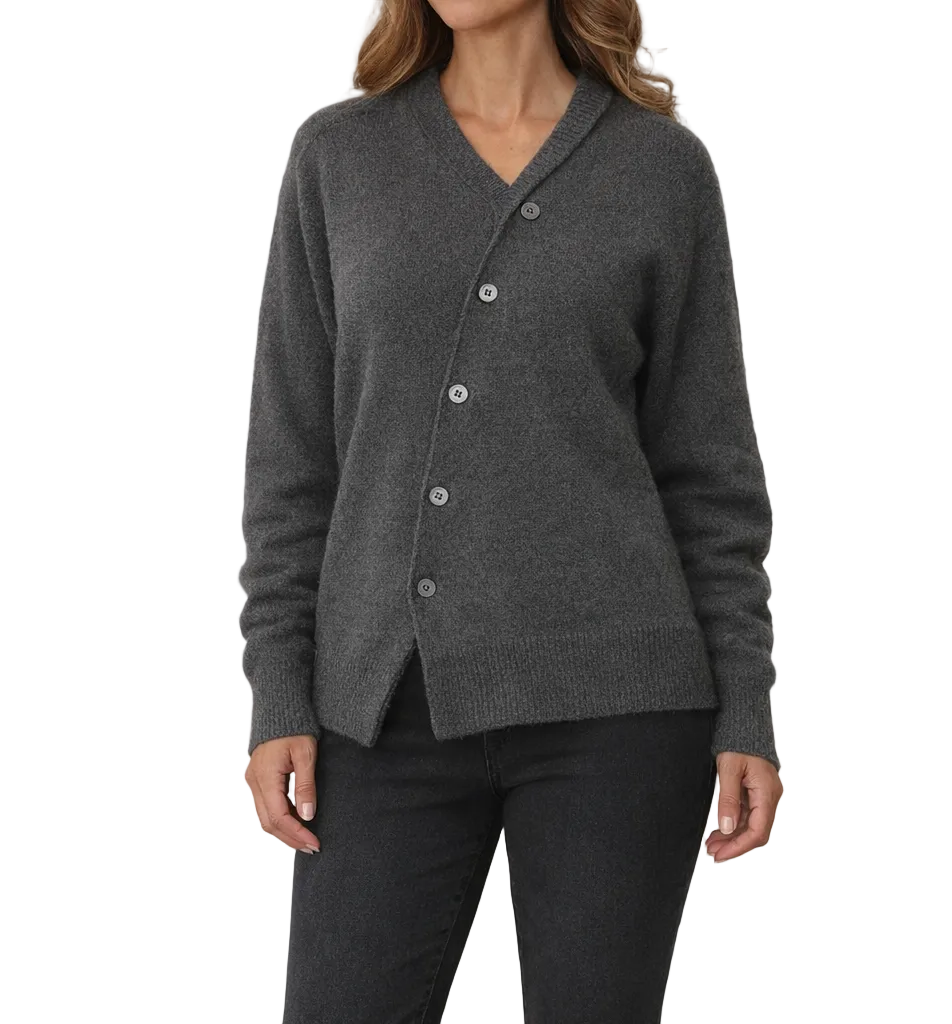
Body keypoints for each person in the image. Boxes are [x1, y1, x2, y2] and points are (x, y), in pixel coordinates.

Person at [237, 0, 784, 1020]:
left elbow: (708, 470)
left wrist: (746, 700)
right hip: (384, 705)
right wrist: (278, 690)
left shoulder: (660, 170)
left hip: (619, 708)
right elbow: (292, 461)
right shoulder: (339, 158)